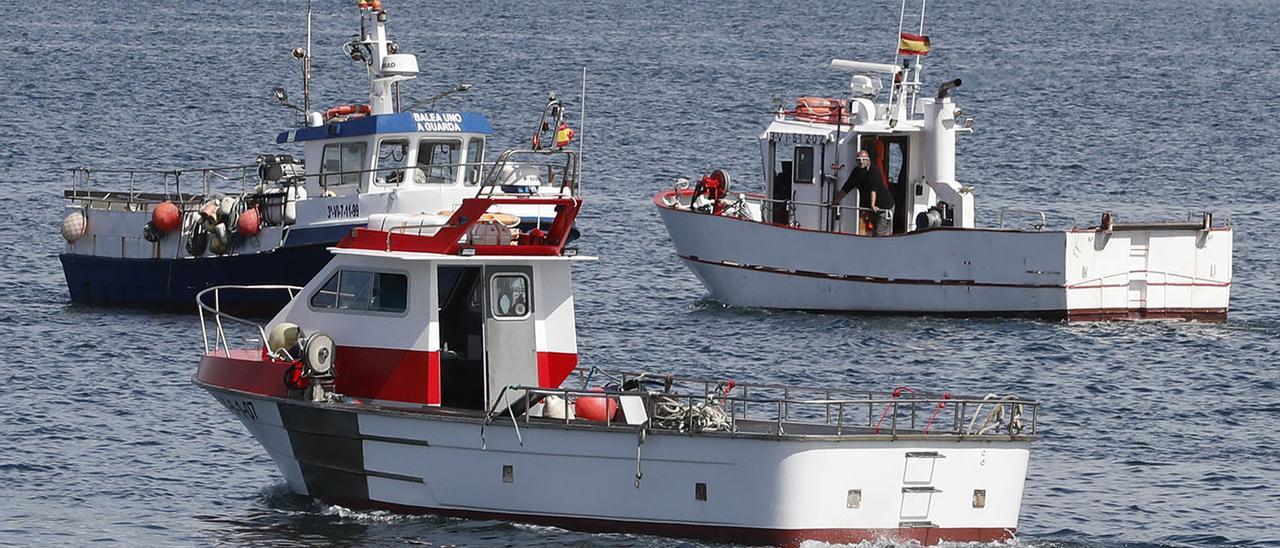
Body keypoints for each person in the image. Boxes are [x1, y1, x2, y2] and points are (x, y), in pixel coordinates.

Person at [834, 150, 895, 235]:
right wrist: (835, 201)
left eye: (863, 159)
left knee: (881, 232)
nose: (861, 161)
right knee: (874, 229)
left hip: (884, 206)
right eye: (858, 160)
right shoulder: (856, 172)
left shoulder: (874, 171)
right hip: (869, 208)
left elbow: (874, 188)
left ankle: (882, 246)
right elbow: (847, 187)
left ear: (868, 160)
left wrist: (873, 204)